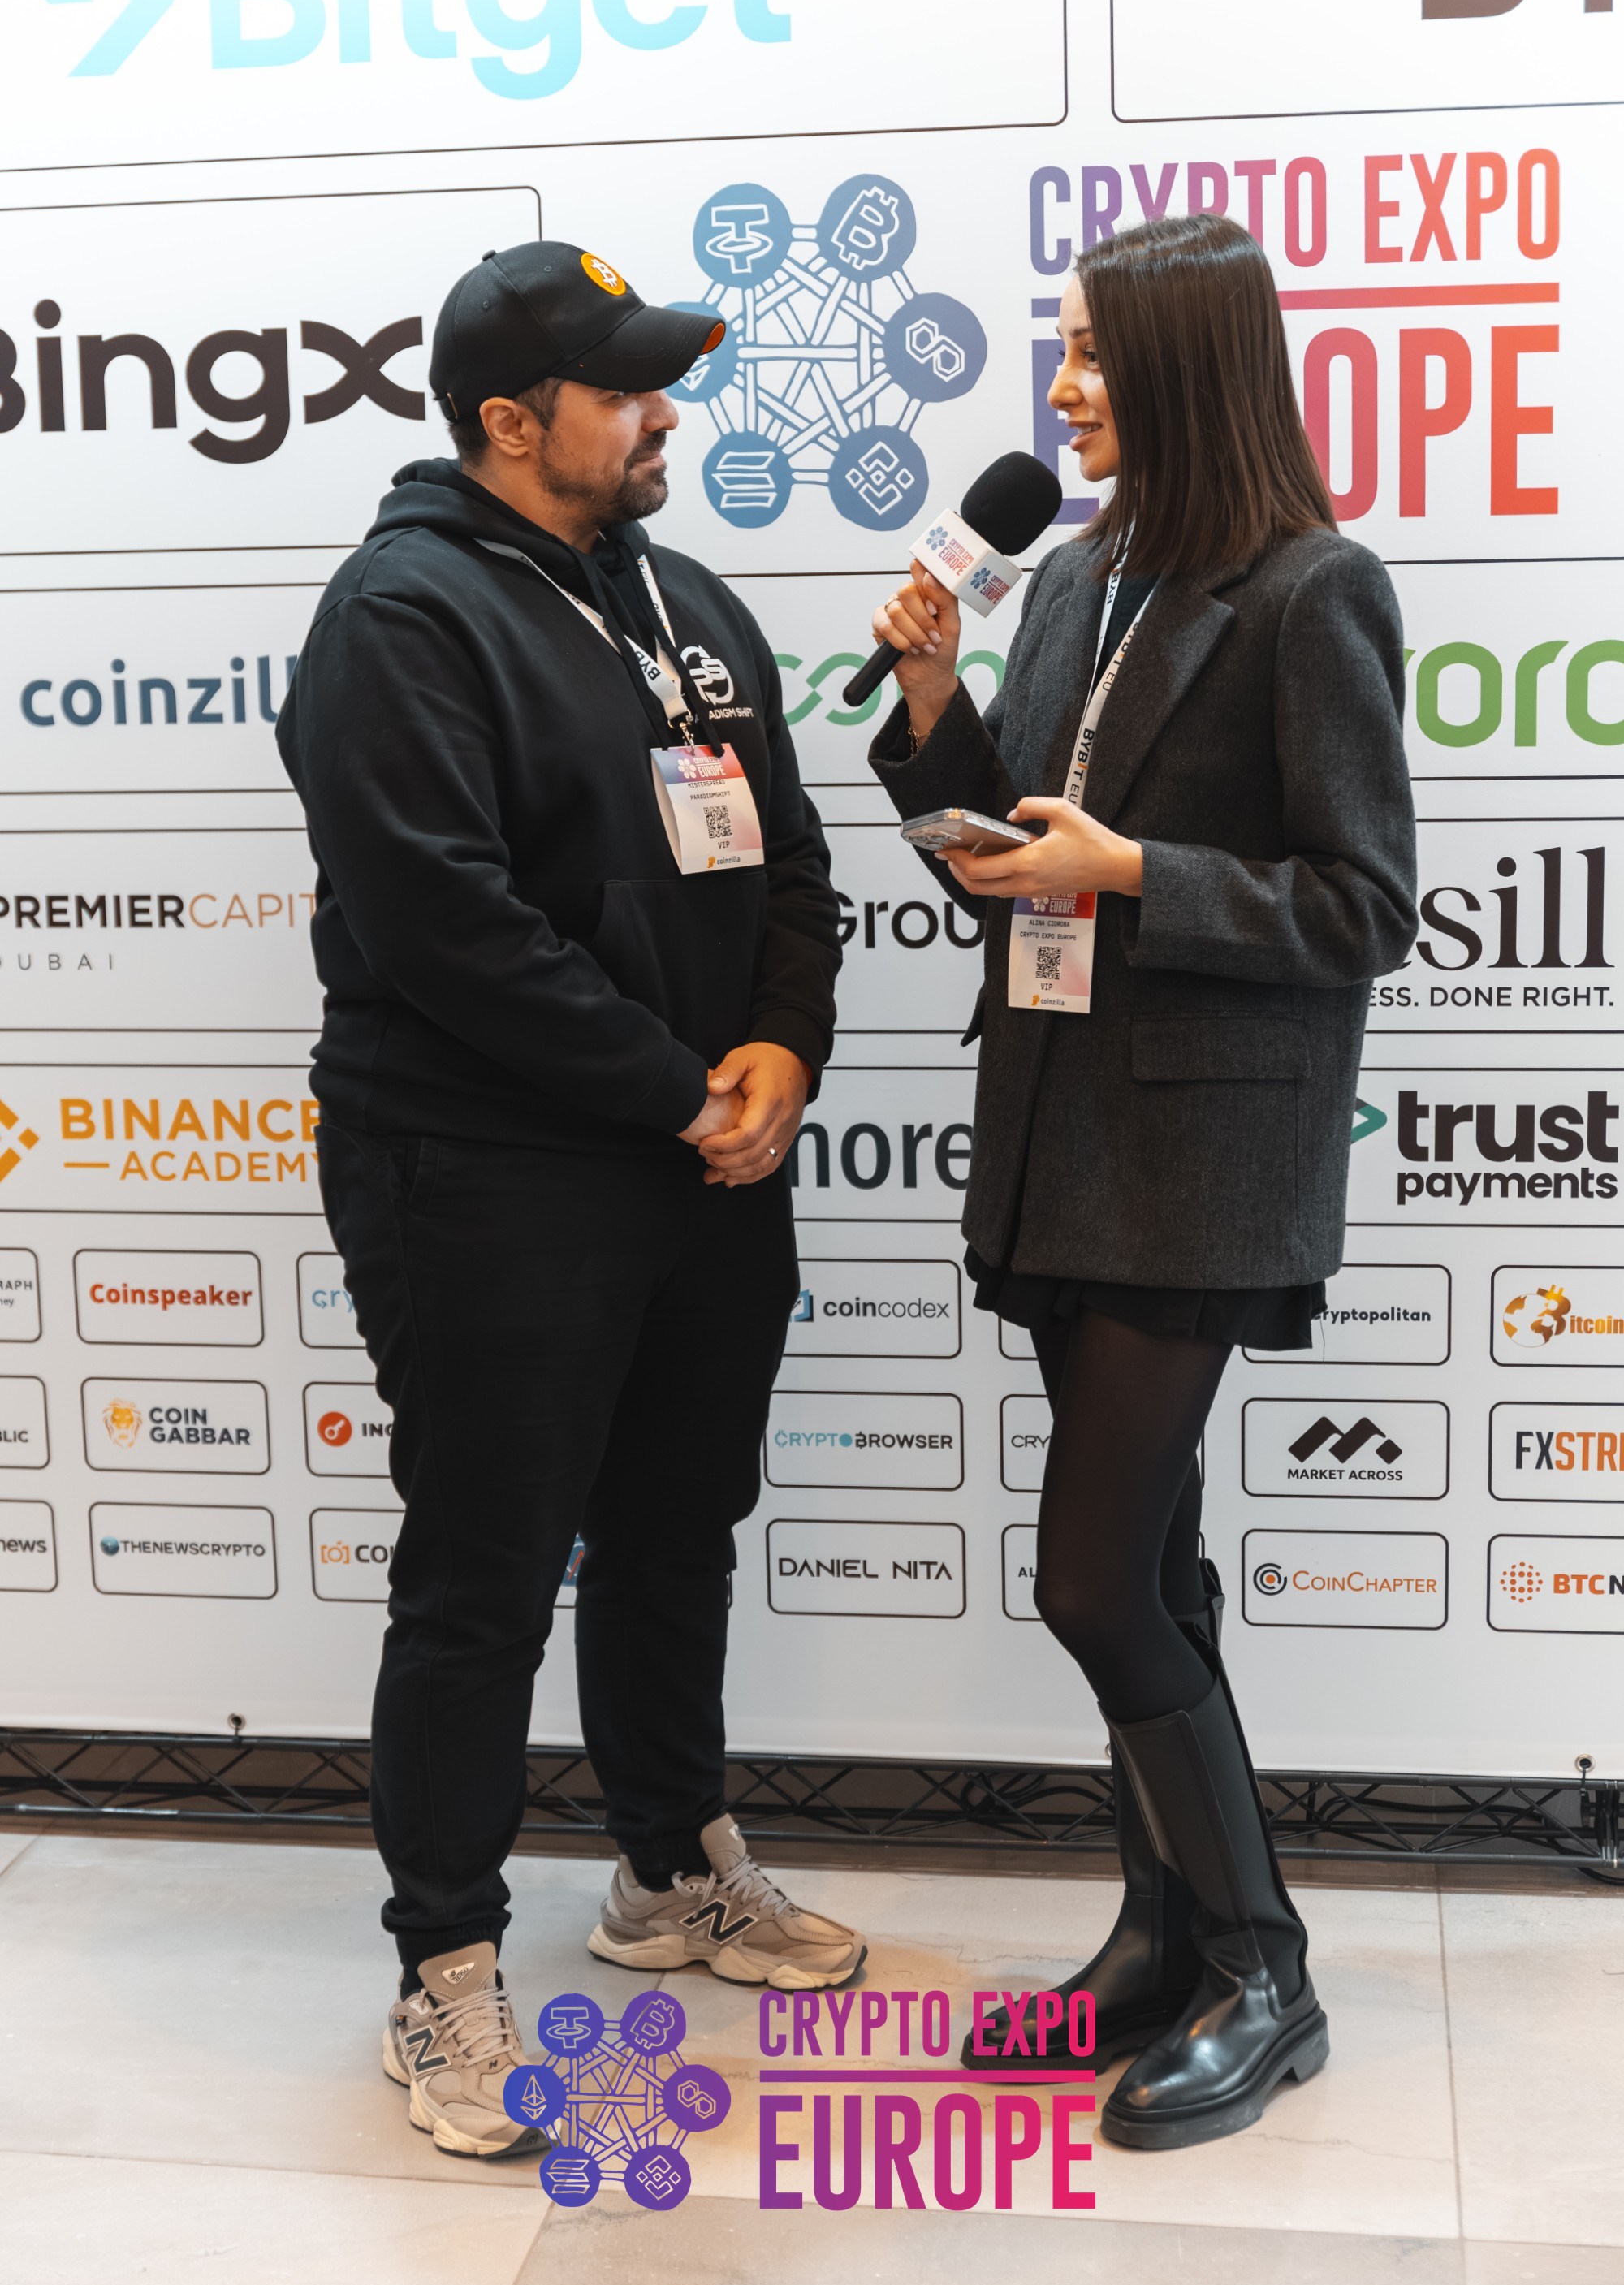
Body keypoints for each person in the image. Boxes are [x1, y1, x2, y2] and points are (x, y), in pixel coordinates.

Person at [278, 240, 863, 2161]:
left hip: (704, 1161)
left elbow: (791, 862)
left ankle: (667, 1867)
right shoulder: (402, 614)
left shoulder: (687, 602)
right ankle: (441, 1963)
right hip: (484, 1169)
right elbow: (443, 926)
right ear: (509, 423)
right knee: (484, 1571)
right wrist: (678, 1090)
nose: (661, 412)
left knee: (677, 1529)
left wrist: (778, 1051)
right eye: (622, 390)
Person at [868, 214, 1417, 2150]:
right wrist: (930, 706)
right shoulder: (1075, 577)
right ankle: (1158, 1938)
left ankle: (1265, 1971)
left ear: (1187, 366)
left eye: (1094, 353)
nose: (1064, 388)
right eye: (1063, 348)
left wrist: (1129, 875)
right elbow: (1007, 854)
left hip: (1198, 1160)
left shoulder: (1310, 590)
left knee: (1093, 1581)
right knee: (1153, 1572)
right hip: (1057, 1134)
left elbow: (1361, 906)